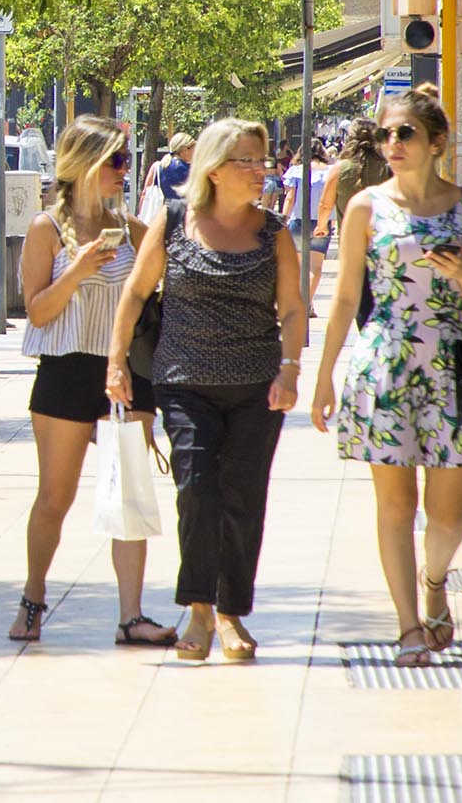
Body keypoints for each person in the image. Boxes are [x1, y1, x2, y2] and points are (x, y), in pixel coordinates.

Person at [307, 85, 462, 666]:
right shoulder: (365, 206)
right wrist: (322, 378)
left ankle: (435, 578)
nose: (392, 144)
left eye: (405, 133)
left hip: (451, 366)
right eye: (386, 134)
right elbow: (344, 301)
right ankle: (408, 626)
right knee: (394, 507)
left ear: (437, 142)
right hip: (384, 364)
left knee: (449, 516)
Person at [107, 119, 304, 662]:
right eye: (246, 160)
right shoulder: (173, 222)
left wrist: (290, 369)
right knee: (197, 490)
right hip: (184, 382)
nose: (259, 170)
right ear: (214, 170)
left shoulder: (273, 232)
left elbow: (290, 306)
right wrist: (116, 362)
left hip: (256, 386)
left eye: (261, 160)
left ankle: (230, 610)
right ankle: (197, 607)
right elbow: (135, 292)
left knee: (243, 496)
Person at [9, 116, 176, 648]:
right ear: (83, 165)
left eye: (125, 161)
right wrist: (78, 268)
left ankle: (131, 615)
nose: (123, 172)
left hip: (125, 370)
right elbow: (36, 312)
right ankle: (33, 599)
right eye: (115, 162)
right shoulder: (46, 230)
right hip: (67, 368)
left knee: (129, 491)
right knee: (54, 498)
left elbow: (161, 288)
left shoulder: (132, 229)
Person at [311, 118, 391, 327]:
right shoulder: (386, 168)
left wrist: (321, 226)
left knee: (359, 301)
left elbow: (325, 204)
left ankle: (369, 336)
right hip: (384, 243)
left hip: (352, 245)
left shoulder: (340, 169)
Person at [281, 143, 333, 310]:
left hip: (298, 221)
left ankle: (296, 302)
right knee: (315, 267)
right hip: (322, 223)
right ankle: (307, 303)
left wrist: (283, 219)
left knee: (297, 267)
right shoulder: (330, 172)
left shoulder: (297, 171)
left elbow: (290, 198)